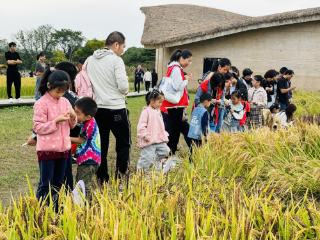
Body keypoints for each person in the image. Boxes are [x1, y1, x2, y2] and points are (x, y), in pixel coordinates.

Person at [86, 31, 130, 185]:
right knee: (123, 143)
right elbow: (123, 86)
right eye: (123, 47)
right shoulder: (116, 60)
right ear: (116, 45)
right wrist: (125, 91)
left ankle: (102, 177)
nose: (123, 50)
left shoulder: (90, 60)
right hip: (116, 107)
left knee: (102, 143)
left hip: (98, 109)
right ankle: (121, 175)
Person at [33, 70, 77, 203]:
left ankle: (55, 208)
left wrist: (73, 118)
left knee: (59, 182)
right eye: (58, 91)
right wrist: (55, 121)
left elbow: (72, 126)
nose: (60, 94)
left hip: (64, 150)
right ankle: (41, 210)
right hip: (47, 151)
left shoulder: (65, 102)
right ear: (49, 86)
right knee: (46, 184)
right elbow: (37, 127)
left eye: (63, 91)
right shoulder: (41, 103)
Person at [161, 49, 192, 155]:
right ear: (182, 58)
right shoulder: (176, 69)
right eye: (189, 60)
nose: (189, 63)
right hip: (175, 106)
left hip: (173, 105)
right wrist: (186, 79)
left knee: (173, 130)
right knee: (174, 132)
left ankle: (170, 152)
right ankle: (170, 153)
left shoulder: (172, 67)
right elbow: (177, 86)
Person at [71, 97, 101, 200]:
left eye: (78, 113)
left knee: (82, 185)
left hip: (88, 161)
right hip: (92, 160)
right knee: (85, 183)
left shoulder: (89, 125)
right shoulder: (90, 121)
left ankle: (86, 207)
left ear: (88, 116)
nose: (75, 115)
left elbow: (80, 140)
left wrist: (64, 138)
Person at [137, 90, 170, 172]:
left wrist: (163, 134)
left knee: (166, 151)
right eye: (159, 102)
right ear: (152, 101)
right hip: (149, 140)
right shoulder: (146, 112)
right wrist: (145, 135)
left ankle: (155, 164)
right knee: (146, 158)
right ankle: (140, 174)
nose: (161, 104)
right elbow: (141, 126)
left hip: (158, 139)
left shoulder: (158, 111)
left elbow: (160, 125)